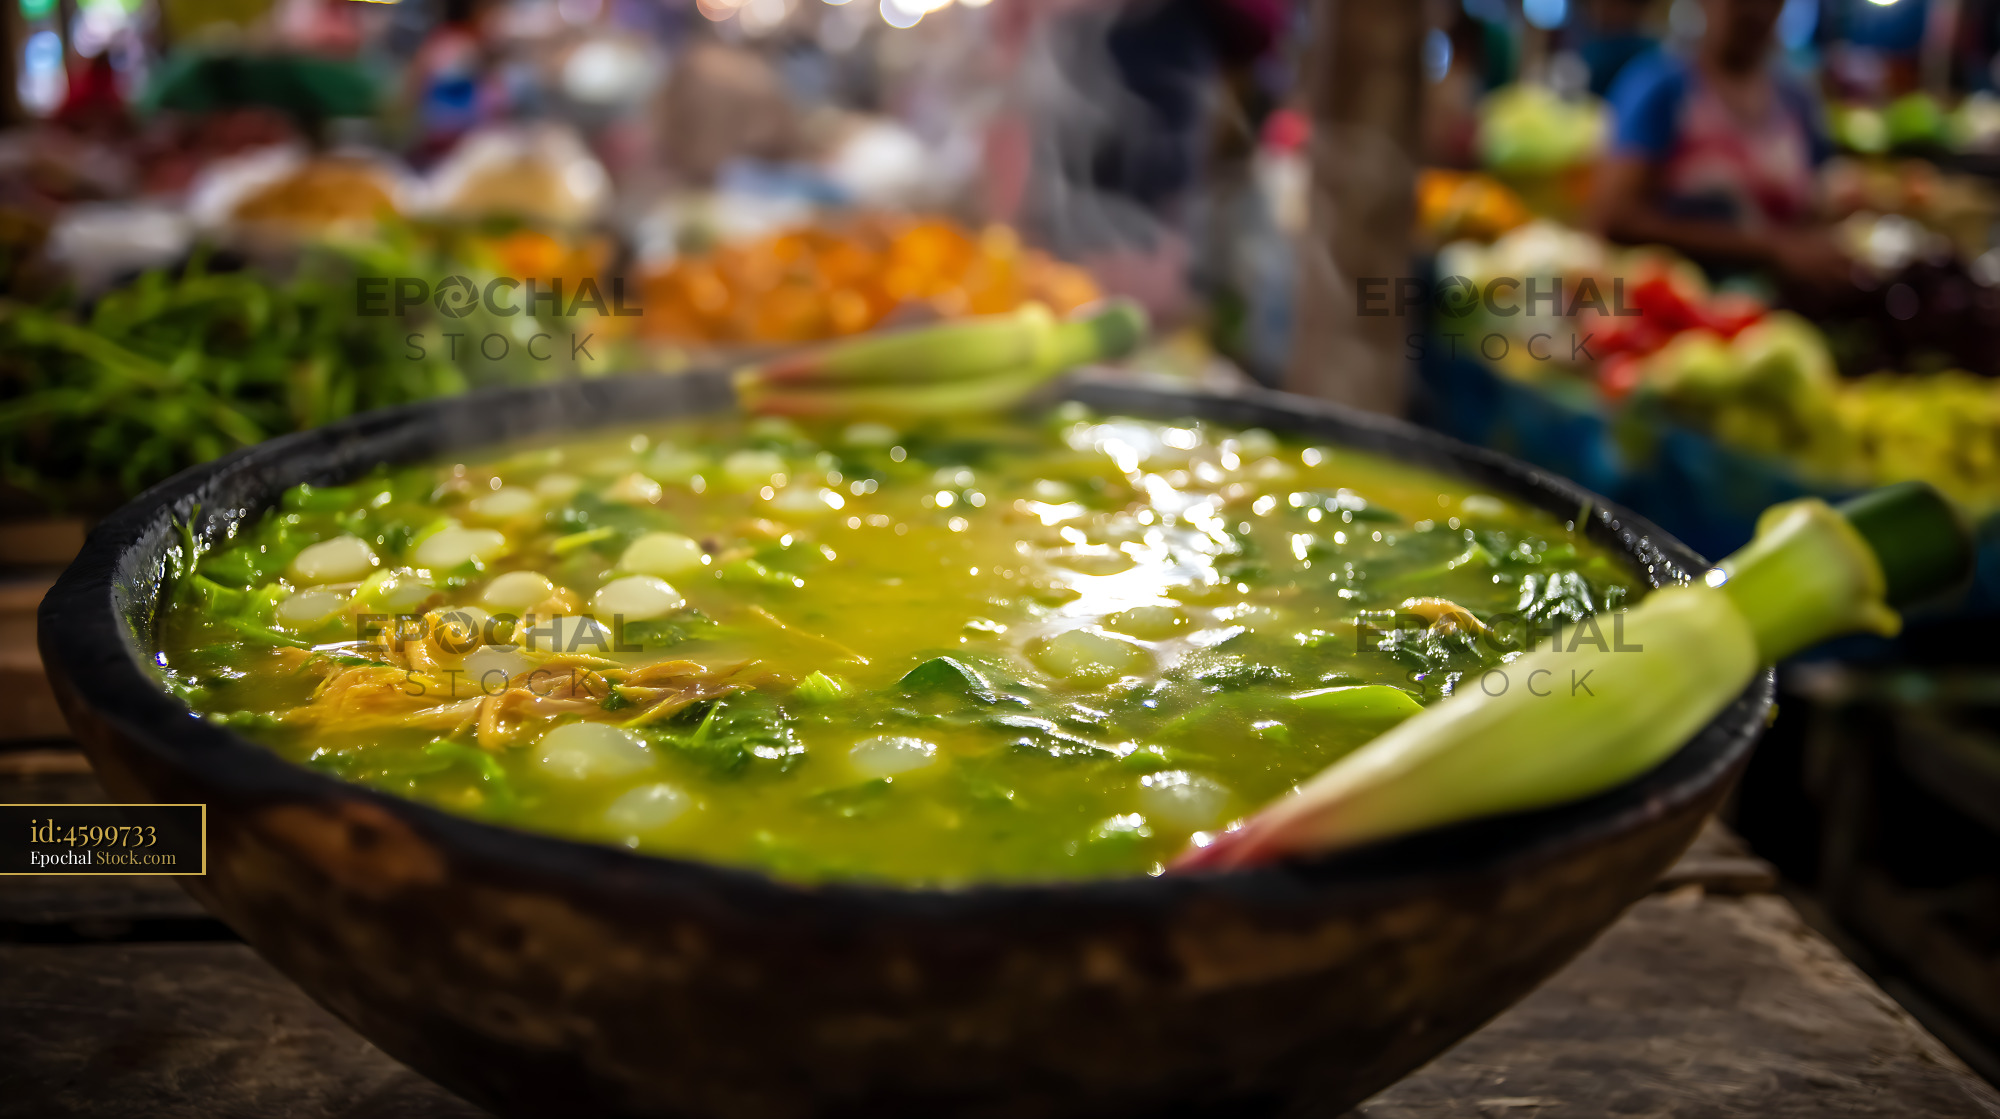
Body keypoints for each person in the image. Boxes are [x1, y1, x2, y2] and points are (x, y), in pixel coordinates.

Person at [1591, 0, 1848, 291]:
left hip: (1783, 312)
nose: (1754, 10)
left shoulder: (1797, 100)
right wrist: (1768, 249)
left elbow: (1815, 203)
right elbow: (1615, 218)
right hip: (1683, 301)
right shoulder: (1661, 88)